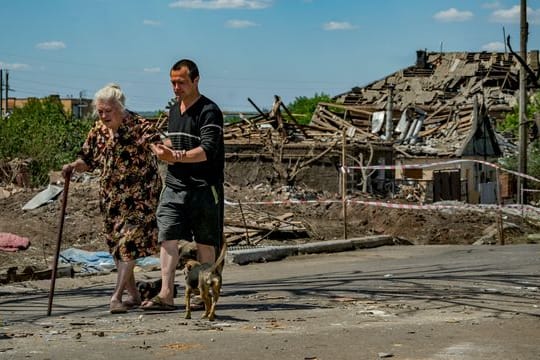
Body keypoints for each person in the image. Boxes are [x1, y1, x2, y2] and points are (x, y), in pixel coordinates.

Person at [62, 83, 162, 314]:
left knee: (128, 244)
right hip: (111, 198)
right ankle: (134, 295)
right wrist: (73, 167)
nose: (104, 115)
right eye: (100, 111)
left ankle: (116, 297)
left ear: (120, 108)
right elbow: (87, 159)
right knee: (117, 247)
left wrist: (166, 150)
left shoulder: (139, 126)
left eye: (108, 110)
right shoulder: (98, 130)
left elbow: (158, 144)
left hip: (140, 197)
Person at [143, 59, 225, 310]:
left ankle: (205, 293)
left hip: (203, 187)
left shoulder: (209, 111)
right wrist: (163, 147)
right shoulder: (173, 110)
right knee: (167, 236)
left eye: (181, 82)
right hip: (174, 185)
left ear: (196, 80)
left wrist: (175, 156)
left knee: (205, 241)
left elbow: (207, 150)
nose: (176, 87)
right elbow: (175, 142)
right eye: (173, 83)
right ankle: (166, 293)